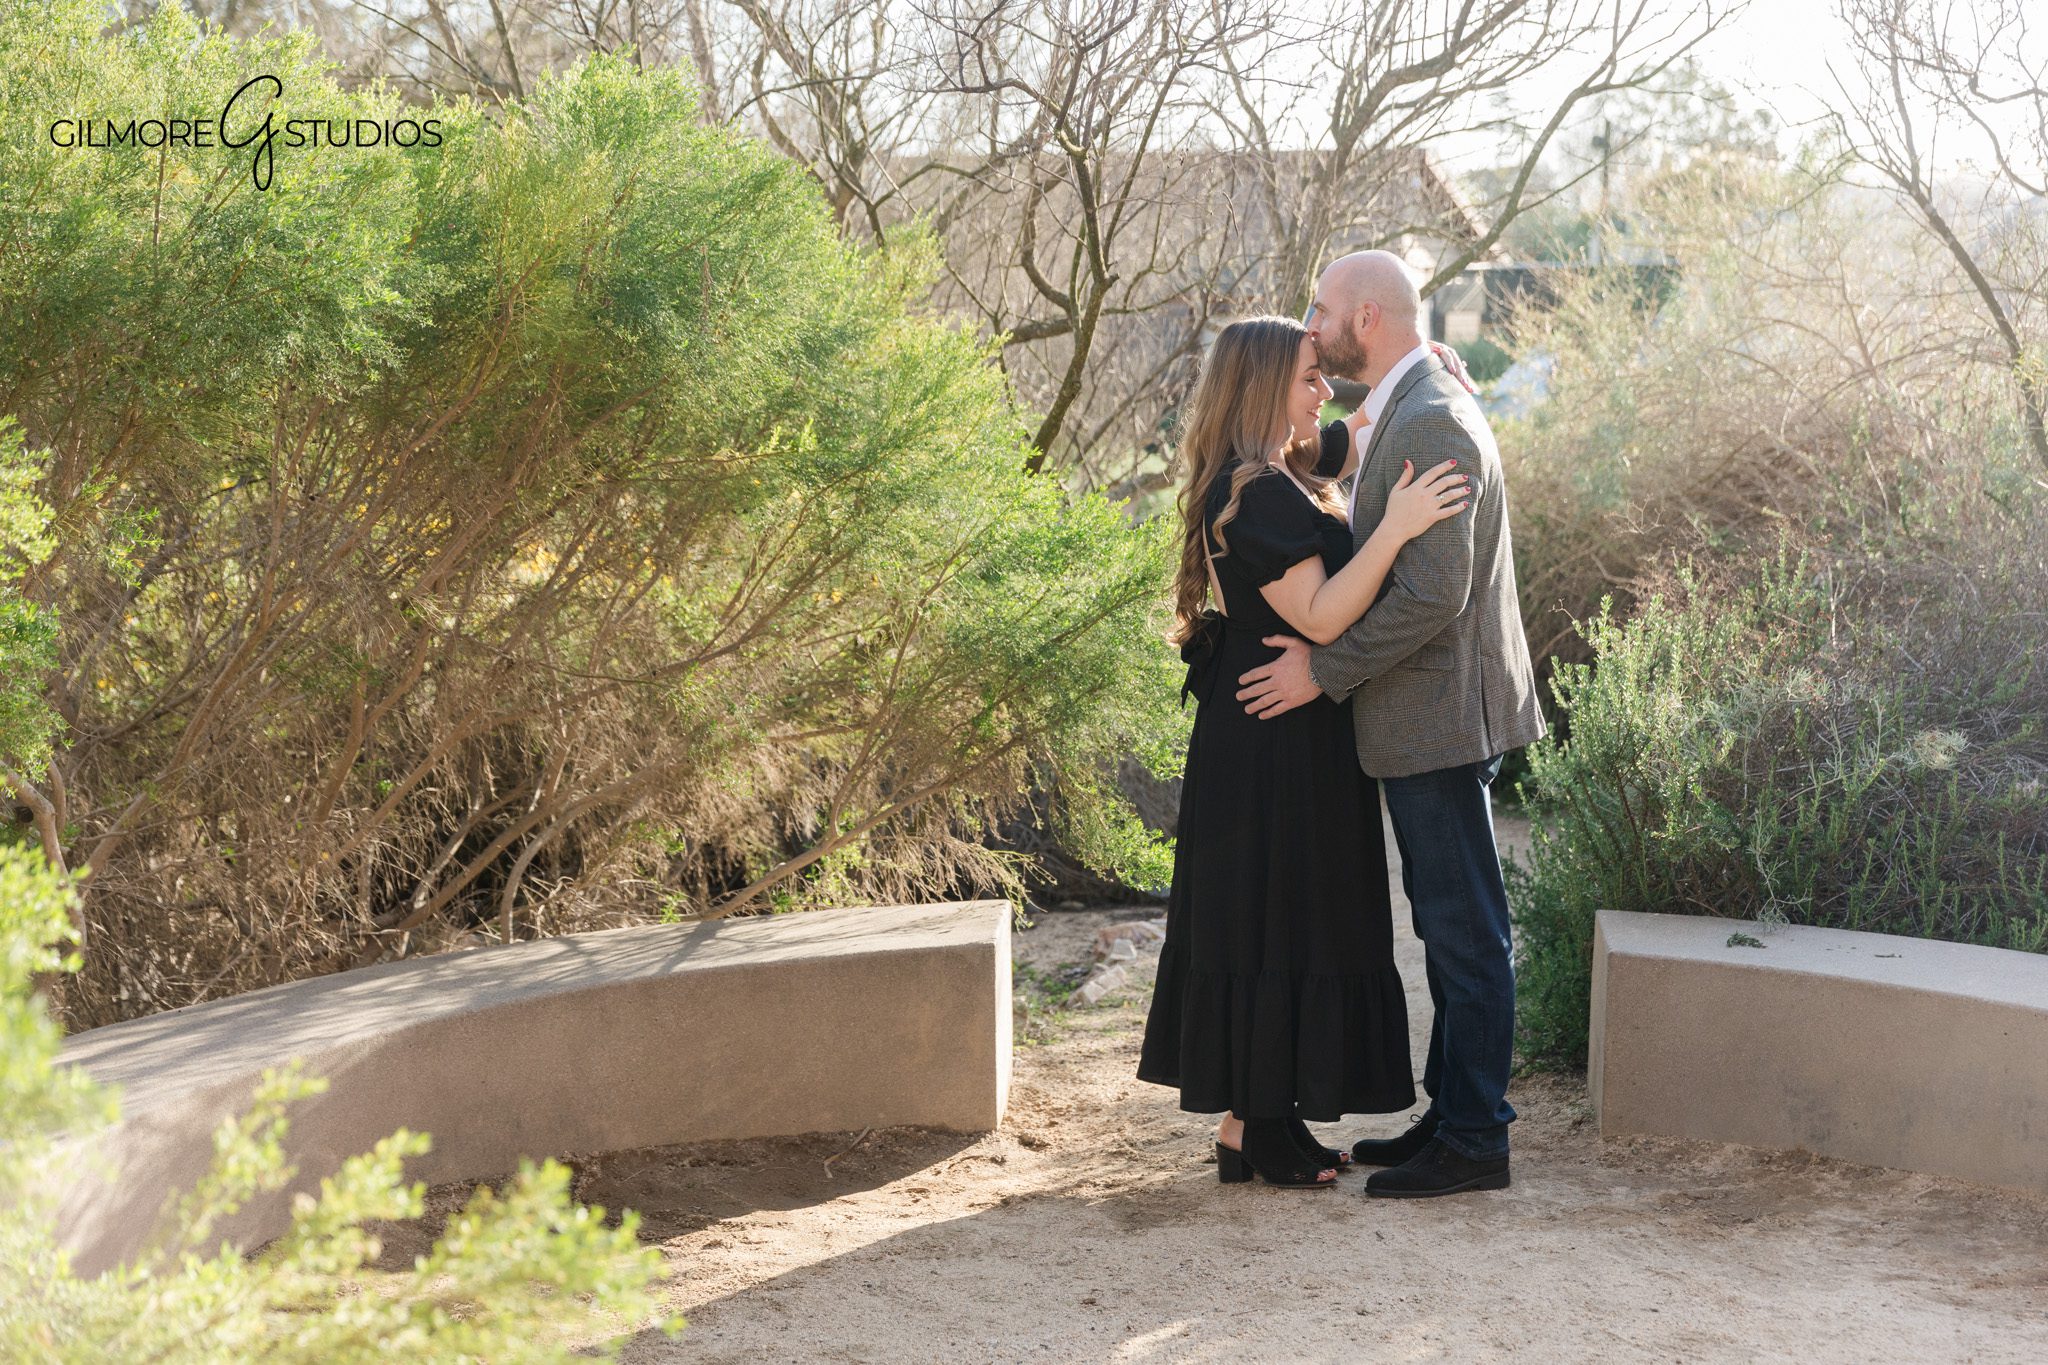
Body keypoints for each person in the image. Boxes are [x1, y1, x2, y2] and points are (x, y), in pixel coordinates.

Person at [1237, 251, 1548, 1198]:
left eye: (1322, 309)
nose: (1314, 323)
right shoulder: (1415, 402)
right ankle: (1451, 1115)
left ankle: (1476, 1138)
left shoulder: (1435, 419)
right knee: (1449, 923)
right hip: (1433, 714)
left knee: (1463, 931)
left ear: (1366, 317)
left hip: (1439, 717)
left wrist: (1323, 671)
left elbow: (1431, 597)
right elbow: (1343, 447)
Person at [1136, 314, 1470, 1188]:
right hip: (1273, 738)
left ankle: (1253, 1127)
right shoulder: (1257, 492)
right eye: (1308, 379)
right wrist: (1396, 526)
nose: (1324, 396)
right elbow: (1322, 616)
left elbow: (1350, 437)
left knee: (1275, 914)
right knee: (1275, 915)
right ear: (1262, 391)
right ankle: (1257, 1126)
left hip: (1280, 729)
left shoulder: (1268, 472)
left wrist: (1424, 358)